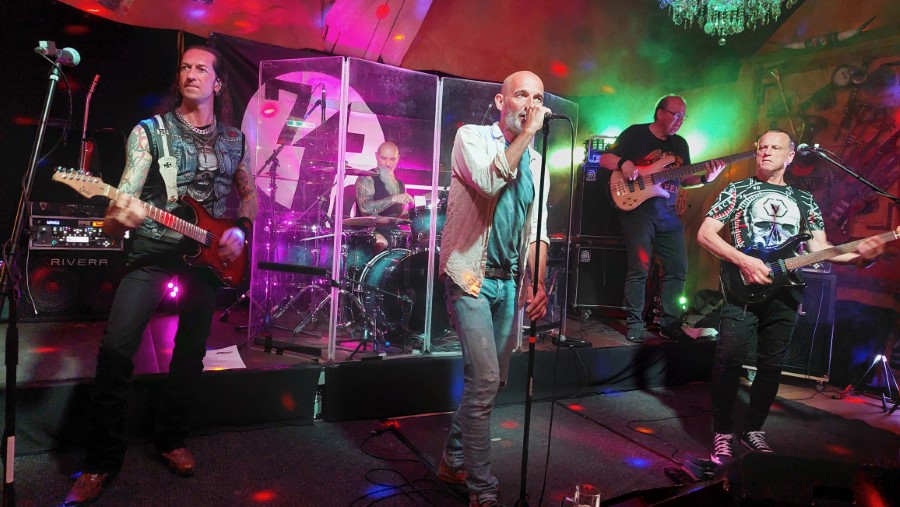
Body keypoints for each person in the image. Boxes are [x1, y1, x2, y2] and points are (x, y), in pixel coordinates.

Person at [65, 45, 257, 506]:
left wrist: (241, 230)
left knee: (190, 354)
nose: (191, 74)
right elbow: (119, 211)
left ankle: (172, 439)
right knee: (116, 350)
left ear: (218, 83)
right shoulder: (150, 132)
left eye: (202, 69)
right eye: (185, 67)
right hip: (152, 252)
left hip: (208, 258)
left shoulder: (235, 140)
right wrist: (119, 217)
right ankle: (100, 461)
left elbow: (248, 193)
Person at [697, 129, 887, 465]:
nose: (766, 152)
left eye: (775, 147)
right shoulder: (737, 189)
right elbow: (705, 234)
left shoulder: (804, 200)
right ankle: (723, 432)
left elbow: (822, 249)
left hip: (785, 289)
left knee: (772, 365)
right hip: (742, 287)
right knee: (730, 358)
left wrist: (863, 257)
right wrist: (744, 261)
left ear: (790, 156)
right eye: (762, 147)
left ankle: (753, 429)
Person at [437, 70, 550, 507]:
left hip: (508, 283)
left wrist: (538, 281)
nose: (531, 104)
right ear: (501, 102)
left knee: (492, 381)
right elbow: (489, 181)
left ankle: (453, 458)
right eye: (522, 95)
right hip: (470, 277)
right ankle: (482, 489)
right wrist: (528, 135)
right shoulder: (471, 137)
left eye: (538, 97)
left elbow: (537, 230)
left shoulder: (537, 163)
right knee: (484, 378)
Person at [600, 94, 726, 343]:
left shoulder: (680, 144)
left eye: (683, 117)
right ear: (660, 113)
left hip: (668, 214)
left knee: (678, 269)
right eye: (676, 115)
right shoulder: (635, 134)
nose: (680, 121)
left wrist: (705, 179)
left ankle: (670, 324)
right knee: (639, 269)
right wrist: (624, 163)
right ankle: (635, 324)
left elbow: (684, 179)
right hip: (639, 212)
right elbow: (605, 159)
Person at [354, 141, 414, 252]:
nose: (388, 164)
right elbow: (365, 208)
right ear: (376, 156)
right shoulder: (367, 178)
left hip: (392, 231)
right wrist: (393, 198)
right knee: (382, 242)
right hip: (368, 231)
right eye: (384, 158)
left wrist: (417, 212)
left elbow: (398, 214)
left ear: (398, 159)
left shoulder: (400, 184)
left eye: (392, 159)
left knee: (412, 242)